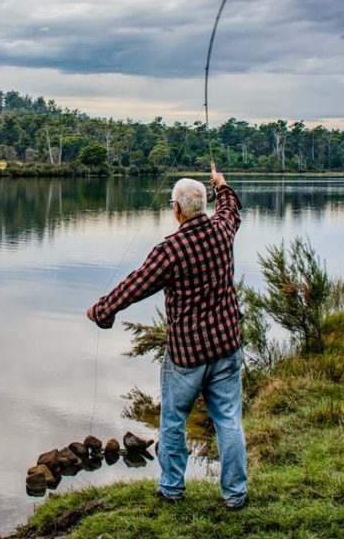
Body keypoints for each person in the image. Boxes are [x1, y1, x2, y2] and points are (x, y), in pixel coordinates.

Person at [86, 163, 247, 509]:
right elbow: (231, 208)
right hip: (226, 347)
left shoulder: (170, 249)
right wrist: (222, 184)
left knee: (174, 422)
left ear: (176, 209)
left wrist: (103, 310)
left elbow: (136, 284)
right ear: (201, 206)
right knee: (229, 422)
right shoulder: (222, 230)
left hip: (187, 355)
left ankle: (172, 488)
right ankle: (235, 495)